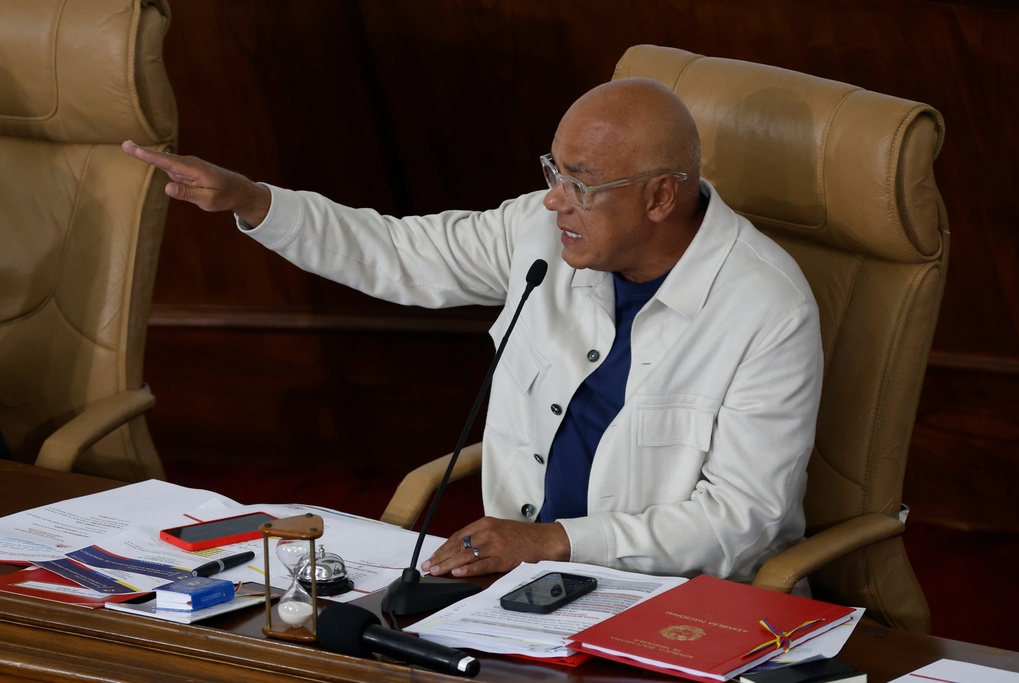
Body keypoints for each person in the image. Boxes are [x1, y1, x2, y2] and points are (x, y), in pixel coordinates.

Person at [123, 77, 823, 585]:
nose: (555, 199)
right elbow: (397, 253)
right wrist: (253, 200)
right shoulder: (542, 232)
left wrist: (552, 541)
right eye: (553, 169)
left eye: (579, 182)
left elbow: (742, 519)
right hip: (517, 588)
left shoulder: (767, 306)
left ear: (661, 196)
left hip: (677, 602)